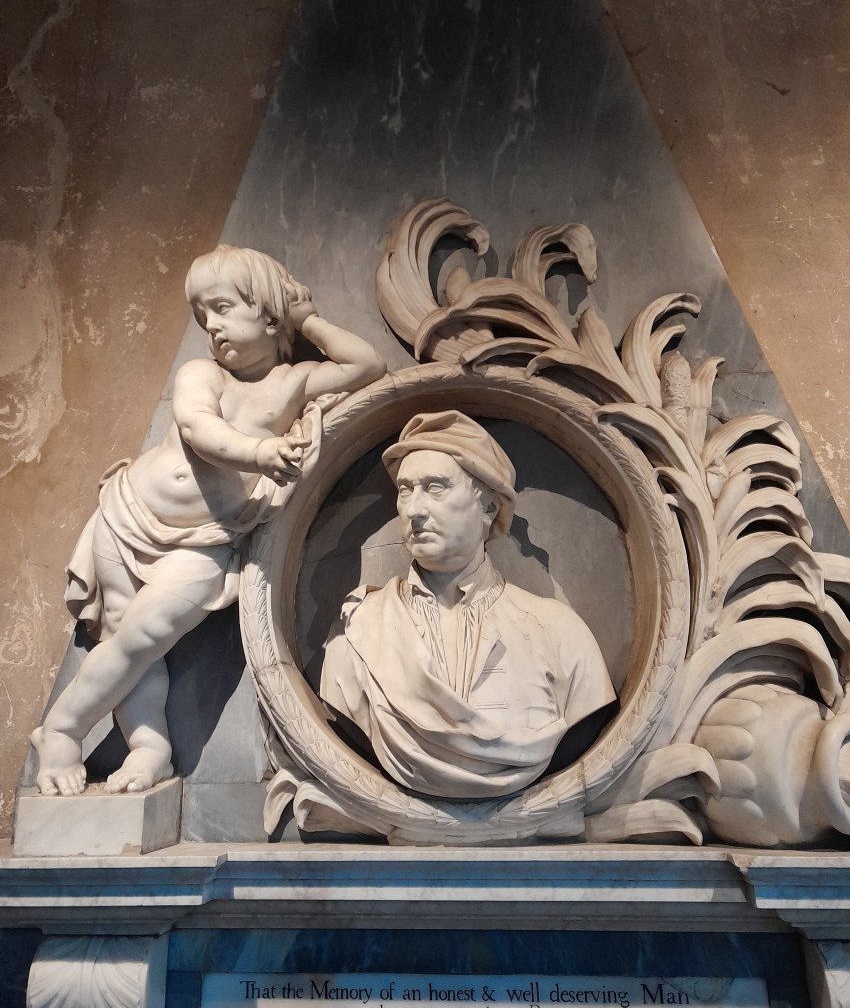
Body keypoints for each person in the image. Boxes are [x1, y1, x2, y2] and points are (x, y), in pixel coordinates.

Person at [32, 245, 386, 797]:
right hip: (128, 515)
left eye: (221, 308)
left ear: (269, 315)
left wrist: (306, 319)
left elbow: (368, 365)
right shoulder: (203, 375)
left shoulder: (294, 383)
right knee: (128, 640)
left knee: (146, 634)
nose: (211, 327)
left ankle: (62, 726)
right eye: (202, 316)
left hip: (206, 540)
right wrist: (260, 451)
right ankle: (147, 748)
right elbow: (198, 429)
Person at [320, 411, 616, 798]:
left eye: (435, 487)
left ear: (489, 507)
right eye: (405, 490)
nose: (414, 510)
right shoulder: (357, 632)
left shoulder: (558, 633)